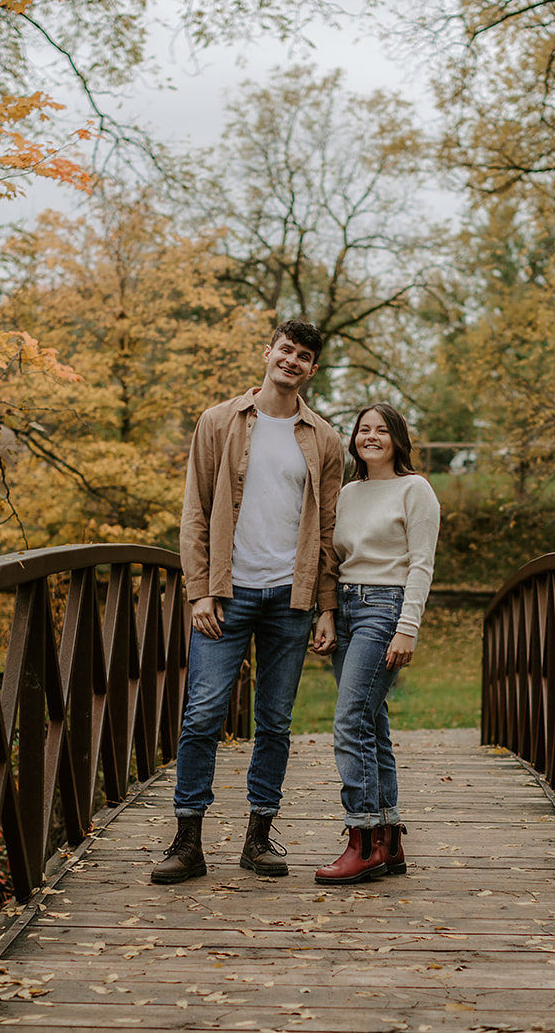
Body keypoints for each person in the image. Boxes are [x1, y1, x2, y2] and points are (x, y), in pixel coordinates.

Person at [151, 319, 344, 884]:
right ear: (269, 353)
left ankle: (258, 838)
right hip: (227, 596)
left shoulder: (324, 439)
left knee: (275, 722)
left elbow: (328, 529)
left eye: (304, 356)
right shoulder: (218, 422)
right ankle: (188, 840)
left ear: (312, 369)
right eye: (286, 349)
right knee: (203, 714)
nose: (292, 361)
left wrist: (325, 606)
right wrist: (199, 591)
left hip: (291, 599)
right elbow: (195, 510)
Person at [310, 403, 440, 884]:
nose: (370, 437)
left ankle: (360, 840)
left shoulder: (415, 489)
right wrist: (327, 614)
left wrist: (408, 626)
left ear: (397, 439)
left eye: (381, 430)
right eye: (363, 429)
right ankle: (387, 837)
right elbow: (333, 558)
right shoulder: (347, 492)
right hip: (346, 608)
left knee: (350, 720)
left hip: (385, 609)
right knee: (370, 721)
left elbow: (421, 565)